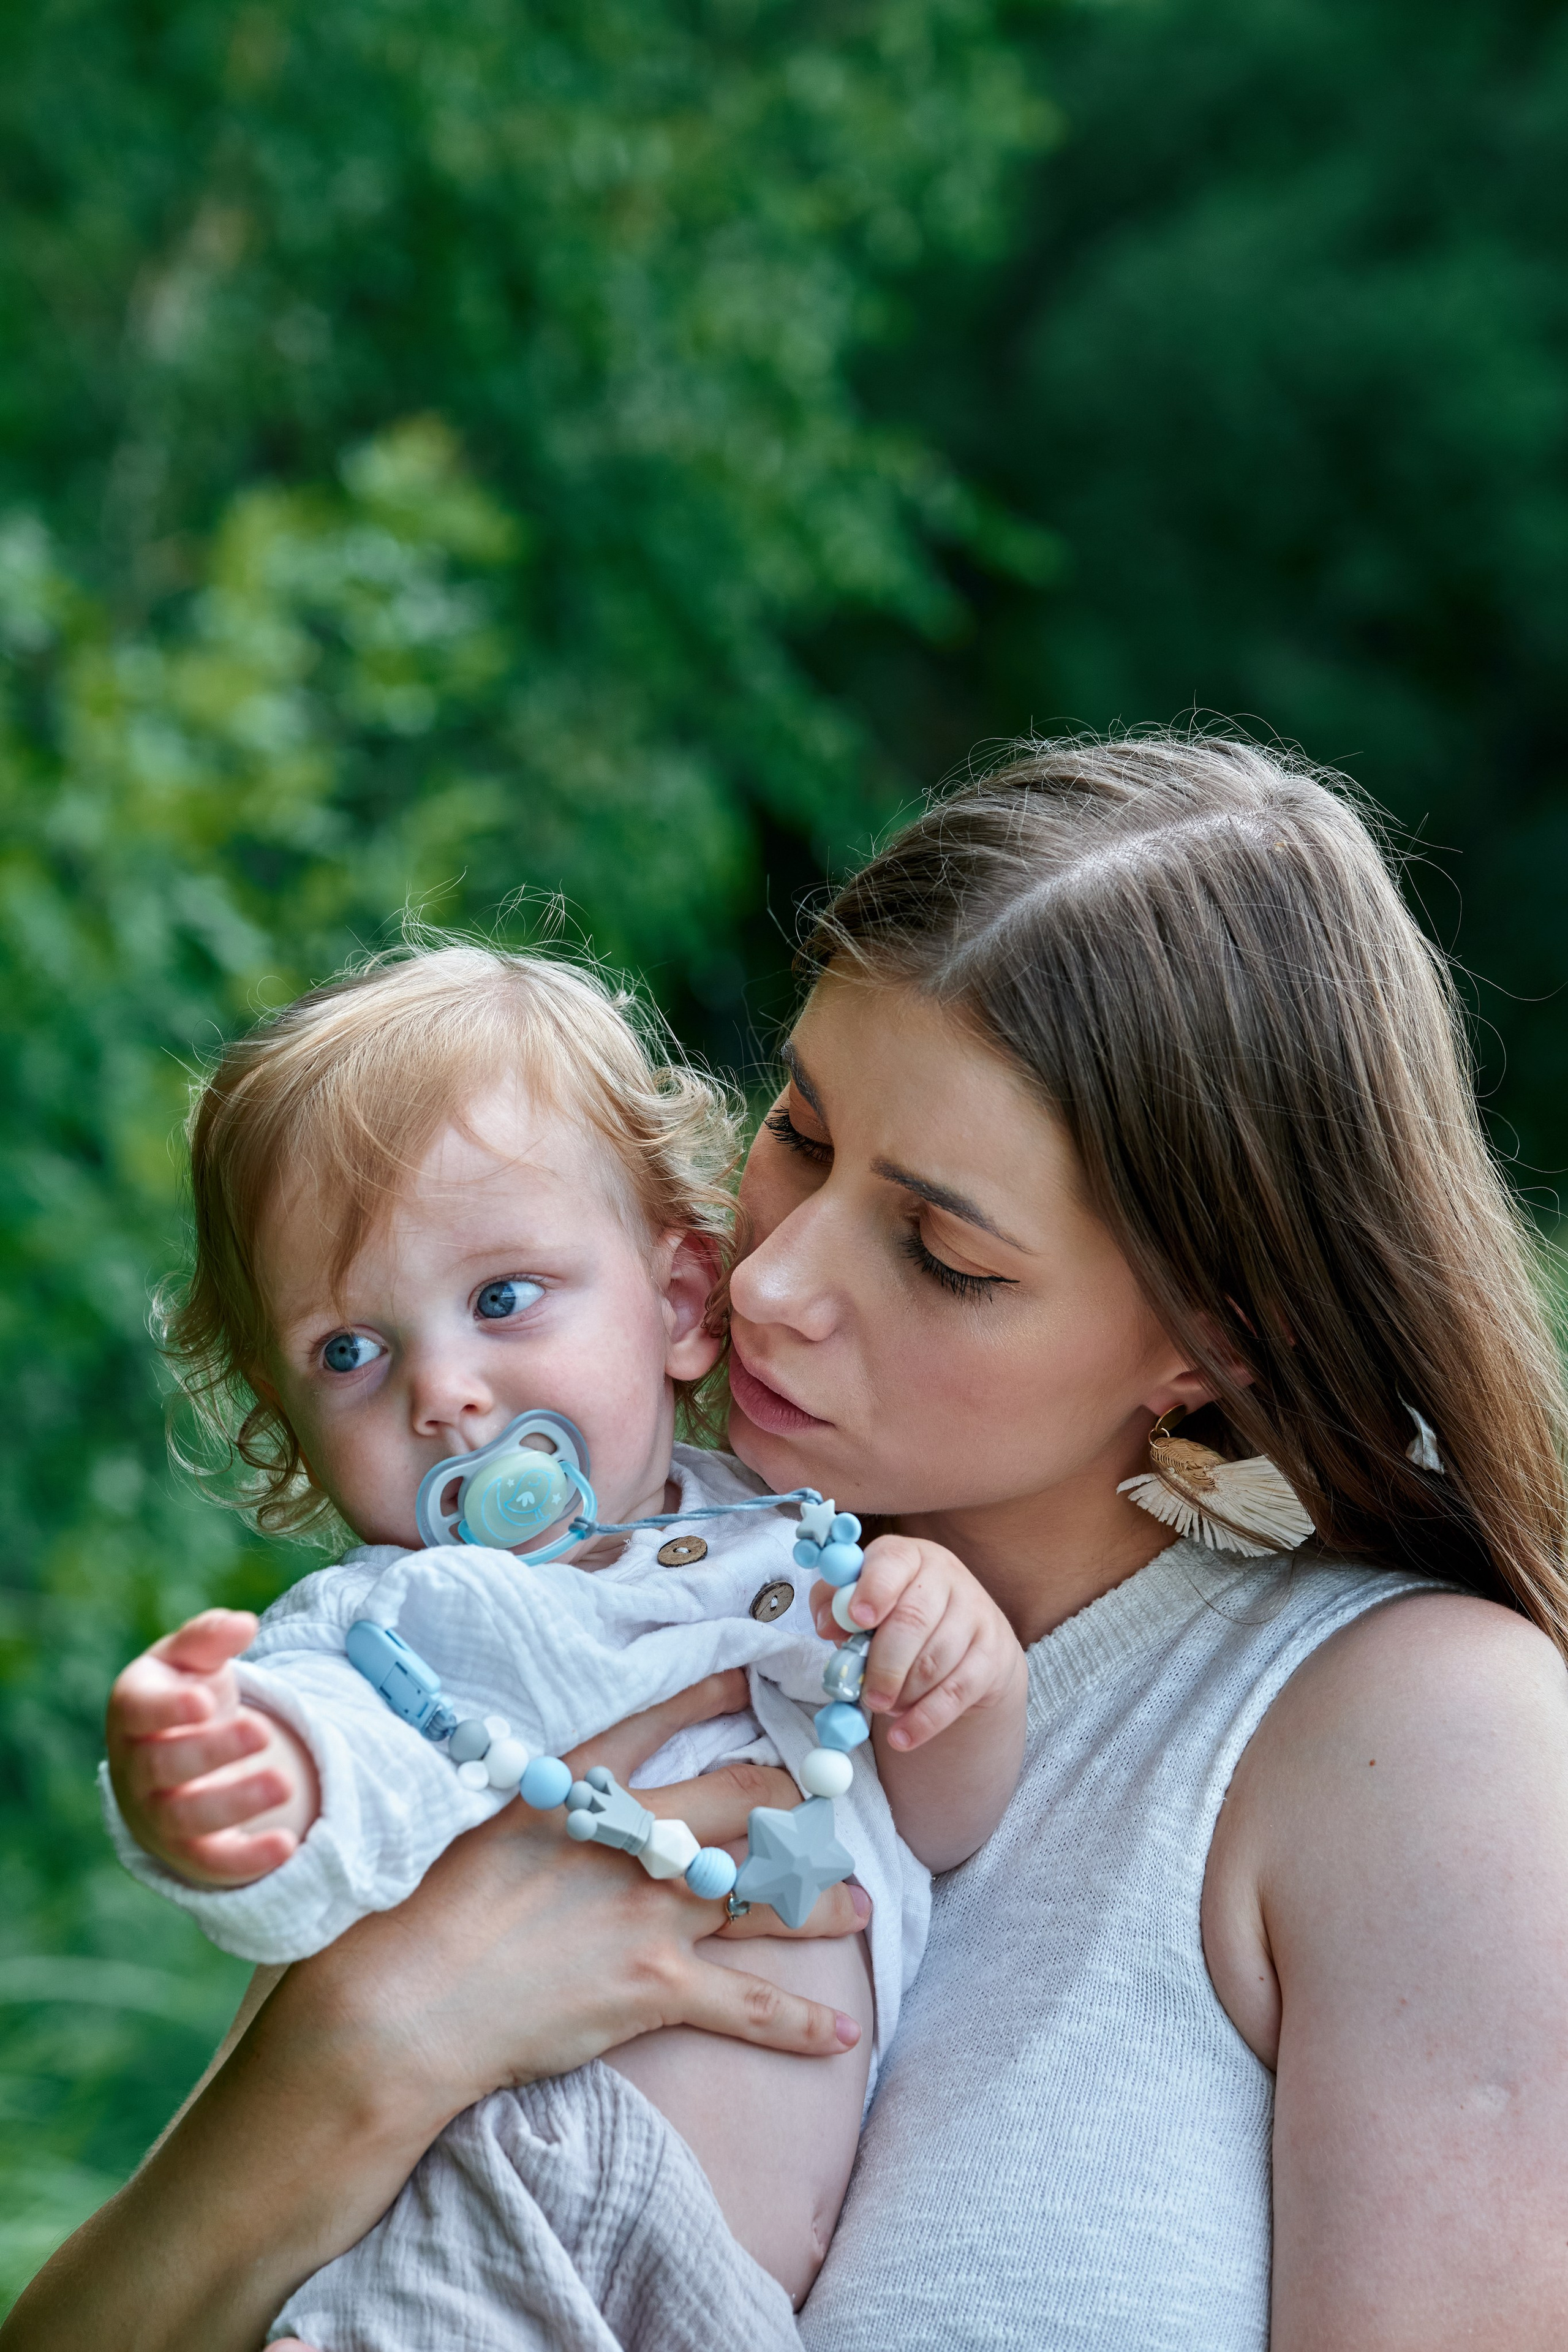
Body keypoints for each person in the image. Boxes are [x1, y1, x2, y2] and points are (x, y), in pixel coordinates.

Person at [9, 729, 1568, 2352]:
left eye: (945, 1252)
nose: (769, 1280)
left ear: (1211, 1340)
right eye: (803, 1134)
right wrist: (369, 2040)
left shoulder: (1409, 1731)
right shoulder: (610, 1608)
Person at [95, 944, 1027, 2339]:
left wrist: (960, 1663)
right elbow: (324, 1808)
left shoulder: (802, 1550)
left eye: (501, 1299)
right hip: (489, 2214)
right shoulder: (405, 1626)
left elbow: (947, 1824)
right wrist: (244, 1782)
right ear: (289, 1426)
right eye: (349, 1353)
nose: (446, 1393)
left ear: (678, 1300)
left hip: (732, 2299)